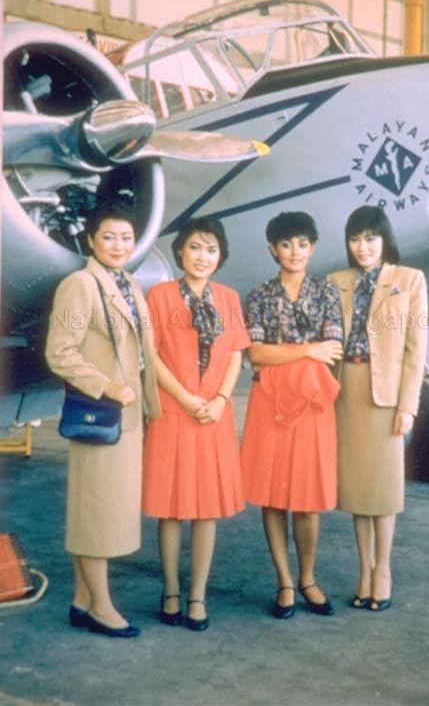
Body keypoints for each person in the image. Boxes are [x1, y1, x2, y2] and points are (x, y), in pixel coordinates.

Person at [45, 204, 161, 638]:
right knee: (96, 515)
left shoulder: (127, 282)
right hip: (102, 413)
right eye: (109, 237)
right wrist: (108, 386)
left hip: (126, 418)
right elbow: (60, 351)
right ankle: (102, 607)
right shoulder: (80, 285)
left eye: (127, 238)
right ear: (91, 240)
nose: (119, 246)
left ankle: (82, 598)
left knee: (99, 512)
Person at [142, 217, 250, 632]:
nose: (202, 257)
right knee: (171, 510)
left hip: (213, 417)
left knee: (206, 511)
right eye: (194, 247)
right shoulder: (161, 295)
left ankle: (197, 594)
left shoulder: (227, 298)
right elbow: (151, 356)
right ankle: (170, 590)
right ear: (179, 252)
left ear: (220, 256)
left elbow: (237, 353)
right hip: (174, 411)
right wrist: (186, 398)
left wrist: (221, 400)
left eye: (210, 249)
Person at [241, 211, 343, 619]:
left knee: (307, 500)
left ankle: (308, 578)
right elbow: (256, 353)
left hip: (312, 403)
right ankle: (284, 581)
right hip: (270, 404)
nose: (294, 251)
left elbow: (332, 350)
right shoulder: (260, 295)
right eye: (286, 244)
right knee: (271, 496)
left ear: (312, 247)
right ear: (272, 249)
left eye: (302, 243)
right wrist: (306, 350)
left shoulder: (327, 293)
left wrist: (287, 355)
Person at [328, 205, 428, 612]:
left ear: (384, 240)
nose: (362, 247)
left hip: (385, 395)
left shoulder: (409, 280)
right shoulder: (336, 282)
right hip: (347, 391)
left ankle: (383, 569)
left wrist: (408, 406)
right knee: (358, 489)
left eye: (370, 238)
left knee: (384, 491)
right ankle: (364, 568)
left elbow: (415, 351)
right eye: (355, 239)